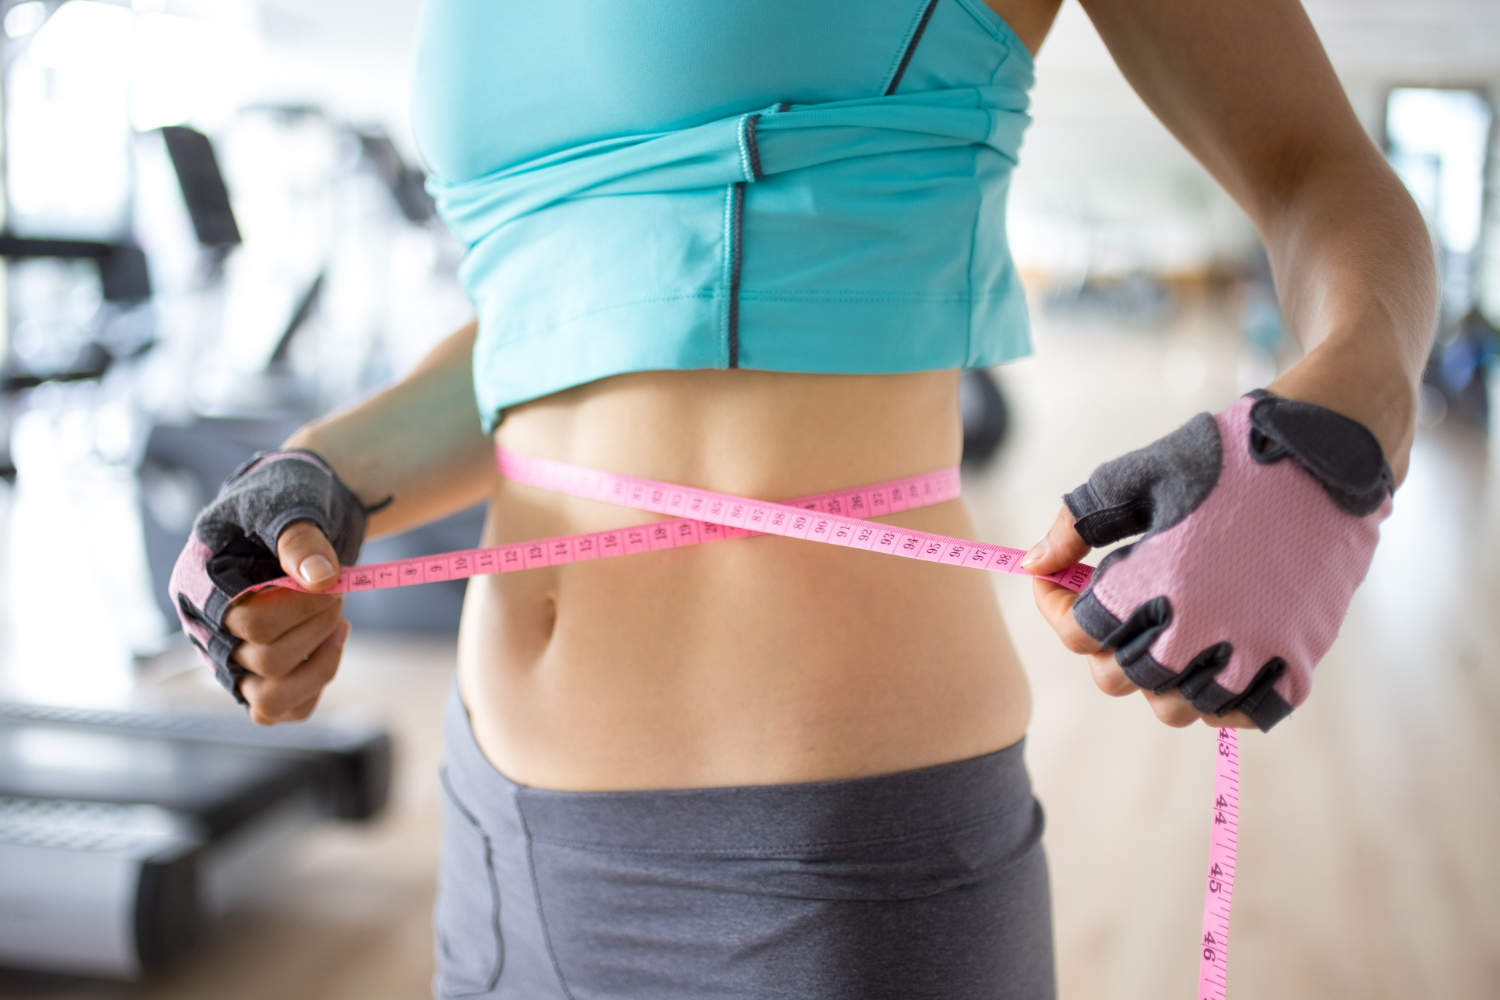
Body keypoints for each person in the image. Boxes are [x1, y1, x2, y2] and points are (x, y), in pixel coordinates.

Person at [169, 0, 1436, 996]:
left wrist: (1332, 427)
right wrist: (318, 471)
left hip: (824, 869)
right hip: (491, 831)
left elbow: (1322, 175)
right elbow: (553, 330)